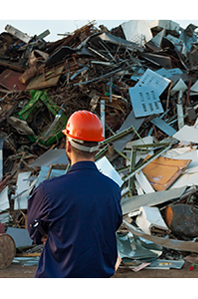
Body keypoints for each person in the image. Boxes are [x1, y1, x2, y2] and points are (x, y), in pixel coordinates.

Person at [27, 110, 123, 278]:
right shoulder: (113, 190)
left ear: (68, 145)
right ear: (98, 146)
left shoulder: (48, 191)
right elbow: (111, 226)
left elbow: (34, 231)